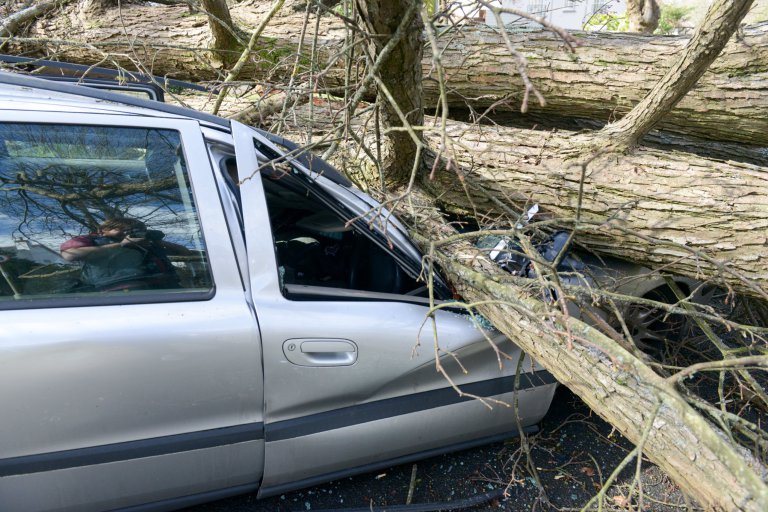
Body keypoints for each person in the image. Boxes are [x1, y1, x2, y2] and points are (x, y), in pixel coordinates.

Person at [60, 217, 191, 291]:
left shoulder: (146, 243)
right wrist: (121, 245)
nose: (127, 233)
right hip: (117, 292)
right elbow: (69, 254)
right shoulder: (91, 241)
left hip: (166, 289)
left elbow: (184, 253)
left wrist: (153, 240)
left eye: (133, 230)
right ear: (101, 231)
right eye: (120, 229)